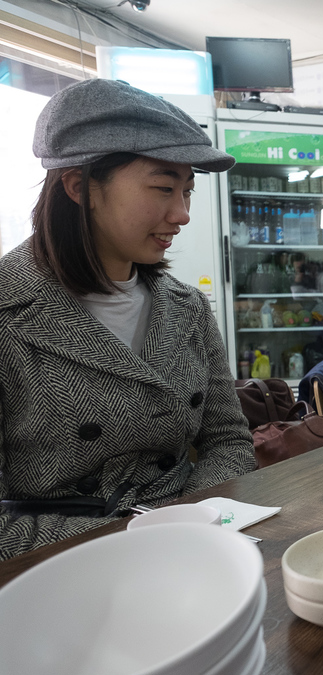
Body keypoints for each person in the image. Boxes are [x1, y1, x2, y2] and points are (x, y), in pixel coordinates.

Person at [0, 79, 254, 561]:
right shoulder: (8, 313)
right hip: (64, 570)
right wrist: (135, 541)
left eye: (187, 191)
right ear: (80, 186)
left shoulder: (187, 308)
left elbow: (228, 439)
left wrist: (194, 517)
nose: (180, 214)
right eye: (162, 187)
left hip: (193, 548)